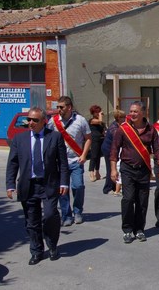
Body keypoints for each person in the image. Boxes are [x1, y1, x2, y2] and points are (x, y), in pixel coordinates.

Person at [6, 107, 69, 265]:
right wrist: (10, 184)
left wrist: (63, 182)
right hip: (28, 185)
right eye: (29, 120)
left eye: (35, 120)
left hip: (48, 183)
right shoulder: (19, 139)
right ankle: (36, 250)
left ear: (44, 121)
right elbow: (12, 163)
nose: (30, 123)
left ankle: (52, 245)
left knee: (50, 215)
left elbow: (62, 163)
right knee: (31, 221)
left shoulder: (54, 137)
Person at [110, 101, 159, 243]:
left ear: (143, 113)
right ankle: (128, 230)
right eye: (131, 111)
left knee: (142, 201)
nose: (132, 114)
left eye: (135, 111)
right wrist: (112, 169)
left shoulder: (151, 130)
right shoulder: (123, 129)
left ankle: (139, 229)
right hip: (127, 168)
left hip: (143, 170)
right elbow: (114, 149)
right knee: (128, 199)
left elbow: (158, 149)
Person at [48, 96, 91, 226]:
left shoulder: (80, 120)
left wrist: (84, 155)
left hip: (76, 159)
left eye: (61, 107)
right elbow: (48, 138)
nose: (59, 109)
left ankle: (78, 211)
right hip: (60, 161)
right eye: (57, 107)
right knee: (62, 189)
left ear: (69, 107)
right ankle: (66, 215)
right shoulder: (53, 121)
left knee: (78, 186)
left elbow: (88, 138)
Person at [101, 109, 126, 194]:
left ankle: (113, 186)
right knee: (111, 168)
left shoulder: (119, 125)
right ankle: (107, 188)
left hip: (112, 148)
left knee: (114, 168)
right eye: (123, 117)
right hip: (108, 149)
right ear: (118, 118)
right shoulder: (114, 127)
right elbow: (118, 138)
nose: (125, 118)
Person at [88, 105, 106, 182]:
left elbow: (103, 128)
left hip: (101, 139)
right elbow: (100, 121)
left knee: (98, 156)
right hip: (94, 139)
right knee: (94, 156)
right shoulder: (92, 120)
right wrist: (100, 116)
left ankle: (97, 172)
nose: (98, 113)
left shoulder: (101, 122)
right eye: (97, 112)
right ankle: (91, 172)